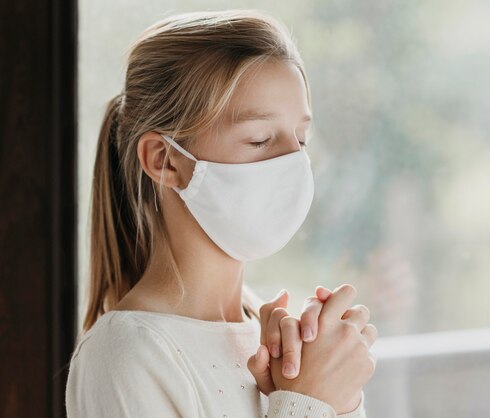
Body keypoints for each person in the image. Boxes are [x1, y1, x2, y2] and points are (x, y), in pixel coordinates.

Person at [65, 9, 377, 418]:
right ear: (165, 160)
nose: (293, 163)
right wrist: (309, 400)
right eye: (260, 139)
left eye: (301, 138)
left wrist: (338, 395)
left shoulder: (273, 343)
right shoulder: (126, 353)